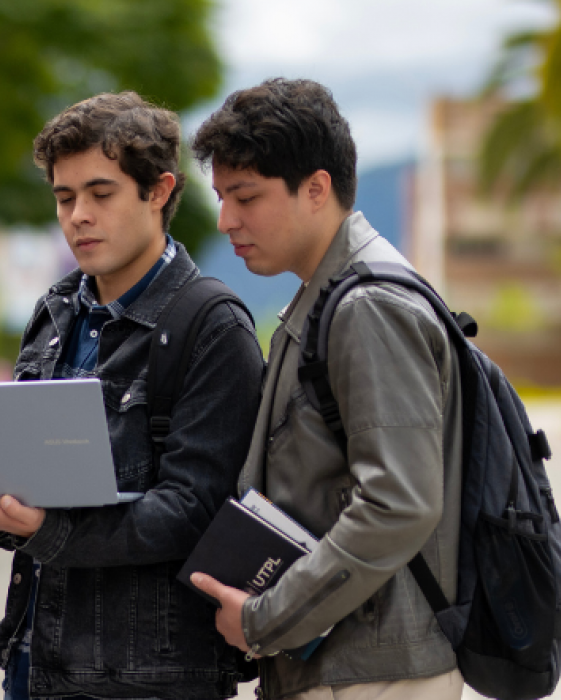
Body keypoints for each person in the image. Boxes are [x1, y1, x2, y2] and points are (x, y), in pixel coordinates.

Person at [0, 92, 265, 700]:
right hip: (33, 663)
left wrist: (44, 528)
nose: (78, 215)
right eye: (64, 197)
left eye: (100, 194)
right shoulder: (56, 310)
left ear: (160, 190)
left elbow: (193, 509)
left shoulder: (213, 326)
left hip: (146, 680)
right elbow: (25, 471)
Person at [186, 78, 466, 700]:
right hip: (349, 663)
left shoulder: (367, 304)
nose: (227, 219)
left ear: (316, 188)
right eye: (222, 197)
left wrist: (268, 619)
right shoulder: (326, 295)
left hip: (374, 671)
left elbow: (401, 503)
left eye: (246, 197)